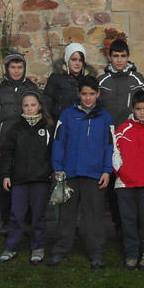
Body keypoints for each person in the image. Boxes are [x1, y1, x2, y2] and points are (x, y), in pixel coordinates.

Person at [47, 76, 113, 269]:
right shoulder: (67, 116)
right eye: (84, 94)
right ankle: (60, 250)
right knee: (67, 215)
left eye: (92, 94)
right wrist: (58, 168)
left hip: (94, 174)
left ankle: (96, 252)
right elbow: (58, 143)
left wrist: (107, 171)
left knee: (93, 217)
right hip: (70, 173)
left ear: (98, 94)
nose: (87, 98)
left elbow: (110, 146)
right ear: (78, 94)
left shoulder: (105, 117)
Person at [97, 39, 144, 238]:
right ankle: (119, 225)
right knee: (112, 184)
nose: (119, 60)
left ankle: (136, 225)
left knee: (131, 180)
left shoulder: (138, 79)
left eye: (123, 56)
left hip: (133, 138)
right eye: (116, 56)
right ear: (110, 57)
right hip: (109, 140)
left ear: (128, 57)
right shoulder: (101, 80)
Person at [0, 92, 54, 265]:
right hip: (19, 179)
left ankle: (38, 247)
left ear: (40, 106)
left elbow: (52, 153)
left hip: (40, 179)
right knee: (16, 214)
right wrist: (6, 175)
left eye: (32, 105)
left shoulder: (48, 127)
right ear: (21, 108)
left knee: (38, 216)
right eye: (26, 106)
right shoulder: (15, 128)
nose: (29, 109)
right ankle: (11, 247)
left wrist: (52, 172)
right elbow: (7, 153)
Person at [0, 52, 40, 236]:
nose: (16, 71)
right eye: (13, 67)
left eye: (19, 67)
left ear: (24, 68)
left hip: (28, 145)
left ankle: (28, 220)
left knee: (28, 182)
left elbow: (40, 115)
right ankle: (6, 221)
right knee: (6, 183)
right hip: (5, 144)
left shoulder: (32, 88)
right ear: (7, 69)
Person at [112, 91, 144, 271]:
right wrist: (122, 172)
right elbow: (115, 153)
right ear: (132, 108)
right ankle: (131, 253)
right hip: (125, 184)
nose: (142, 112)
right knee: (128, 221)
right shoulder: (122, 129)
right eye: (138, 109)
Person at [43, 42, 96, 121]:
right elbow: (47, 102)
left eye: (80, 60)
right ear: (67, 59)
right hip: (60, 121)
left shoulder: (89, 79)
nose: (77, 63)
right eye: (74, 60)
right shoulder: (56, 78)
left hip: (83, 122)